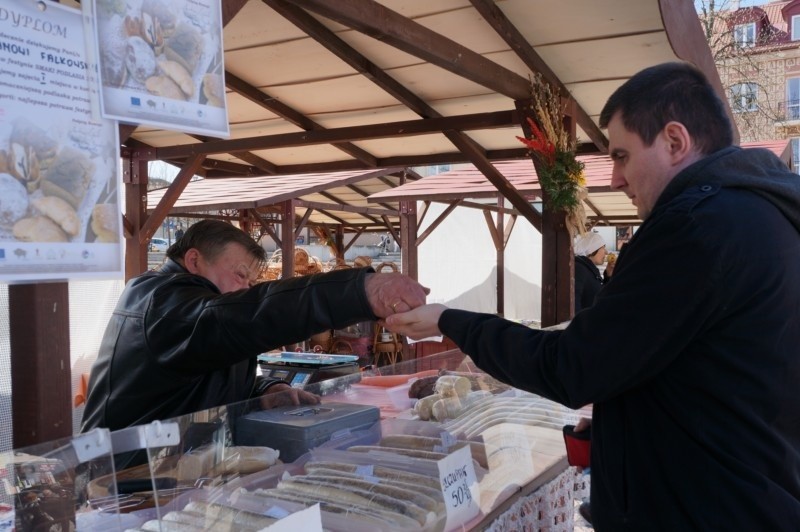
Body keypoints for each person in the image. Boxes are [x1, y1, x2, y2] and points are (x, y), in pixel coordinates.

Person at [386, 62, 800, 530]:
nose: (615, 180)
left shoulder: (697, 227)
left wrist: (451, 321)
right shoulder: (764, 215)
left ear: (675, 141)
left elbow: (572, 367)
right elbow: (719, 373)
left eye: (621, 156)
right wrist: (627, 428)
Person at [81, 219, 428, 439]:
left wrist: (266, 387)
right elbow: (246, 316)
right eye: (239, 275)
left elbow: (204, 377)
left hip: (183, 465)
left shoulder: (202, 314)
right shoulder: (159, 302)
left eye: (251, 280)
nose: (246, 288)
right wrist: (356, 292)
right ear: (194, 261)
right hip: (126, 476)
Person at [573, 232, 606, 312]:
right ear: (592, 250)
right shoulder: (580, 269)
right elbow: (574, 303)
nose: (606, 252)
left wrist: (608, 276)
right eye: (603, 247)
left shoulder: (588, 268)